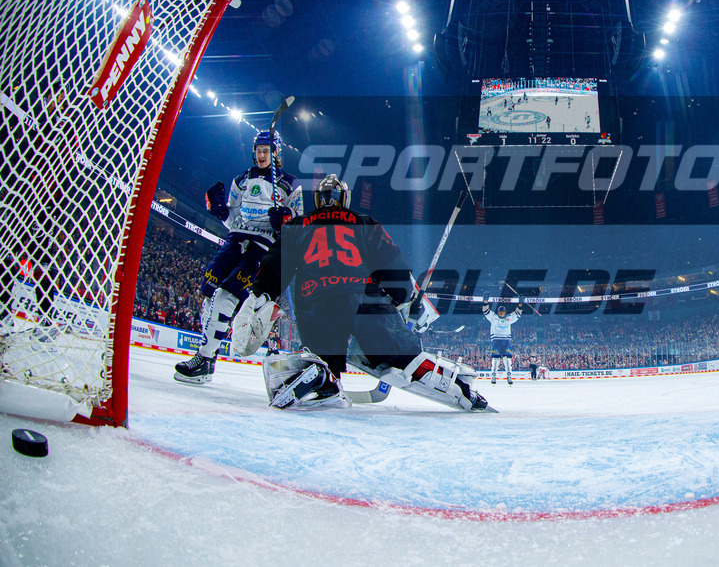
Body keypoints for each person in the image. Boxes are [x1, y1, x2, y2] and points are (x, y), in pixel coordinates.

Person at [231, 174, 489, 412]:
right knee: (401, 354)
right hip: (363, 297)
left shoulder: (297, 225)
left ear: (318, 200)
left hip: (314, 301)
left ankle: (324, 380)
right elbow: (391, 262)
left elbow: (276, 263)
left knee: (324, 355)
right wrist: (402, 297)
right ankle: (457, 388)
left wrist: (260, 294)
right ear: (345, 198)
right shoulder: (364, 222)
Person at [173, 129, 303, 385]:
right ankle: (207, 359)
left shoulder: (290, 183)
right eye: (258, 151)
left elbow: (298, 226)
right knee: (209, 294)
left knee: (225, 298)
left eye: (266, 151)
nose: (262, 155)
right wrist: (219, 211)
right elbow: (233, 220)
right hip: (235, 240)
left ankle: (204, 359)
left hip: (263, 246)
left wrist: (285, 221)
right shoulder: (241, 179)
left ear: (276, 153)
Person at [483, 302, 522, 384]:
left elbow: (518, 314)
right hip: (496, 340)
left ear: (505, 312)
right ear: (498, 312)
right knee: (495, 359)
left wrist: (520, 304)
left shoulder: (509, 318)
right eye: (500, 311)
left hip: (506, 341)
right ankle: (493, 377)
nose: (501, 312)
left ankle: (509, 376)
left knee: (507, 359)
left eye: (503, 311)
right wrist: (485, 302)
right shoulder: (494, 317)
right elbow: (486, 311)